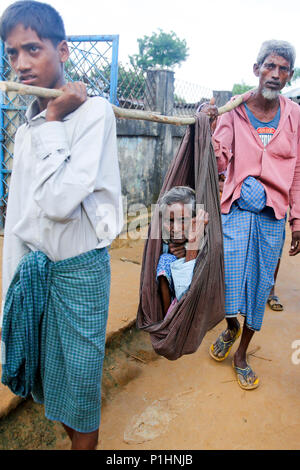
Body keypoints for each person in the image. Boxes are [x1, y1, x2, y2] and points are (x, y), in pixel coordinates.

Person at [0, 1, 123, 450]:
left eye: (32, 48)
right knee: (48, 381)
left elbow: (57, 203)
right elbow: (20, 219)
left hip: (80, 275)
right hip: (37, 269)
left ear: (64, 50)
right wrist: (13, 283)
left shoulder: (95, 115)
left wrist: (54, 119)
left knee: (82, 391)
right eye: (12, 53)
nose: (21, 63)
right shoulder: (26, 128)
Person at [200, 40, 300, 390]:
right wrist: (209, 129)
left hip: (273, 212)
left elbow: (298, 169)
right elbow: (219, 162)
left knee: (260, 287)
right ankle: (230, 326)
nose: (275, 74)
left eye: (283, 68)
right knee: (228, 277)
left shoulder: (294, 115)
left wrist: (297, 220)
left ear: (289, 76)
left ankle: (242, 353)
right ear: (256, 70)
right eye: (269, 66)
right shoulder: (234, 110)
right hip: (237, 207)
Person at [156, 186, 209, 316]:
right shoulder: (164, 245)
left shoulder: (204, 242)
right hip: (176, 300)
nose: (176, 228)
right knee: (165, 260)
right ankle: (168, 316)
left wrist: (189, 251)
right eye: (170, 220)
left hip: (195, 302)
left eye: (182, 220)